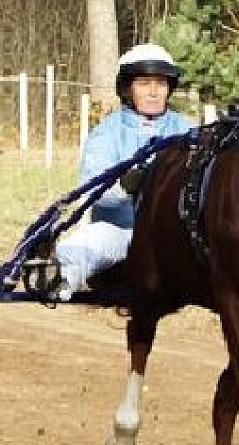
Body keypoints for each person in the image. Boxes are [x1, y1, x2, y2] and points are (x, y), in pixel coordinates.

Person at [54, 43, 194, 299]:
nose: (154, 92)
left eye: (161, 84)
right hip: (121, 232)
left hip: (173, 235)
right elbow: (92, 191)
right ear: (127, 88)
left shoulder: (188, 131)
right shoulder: (106, 134)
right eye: (144, 83)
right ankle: (57, 275)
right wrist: (125, 186)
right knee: (94, 239)